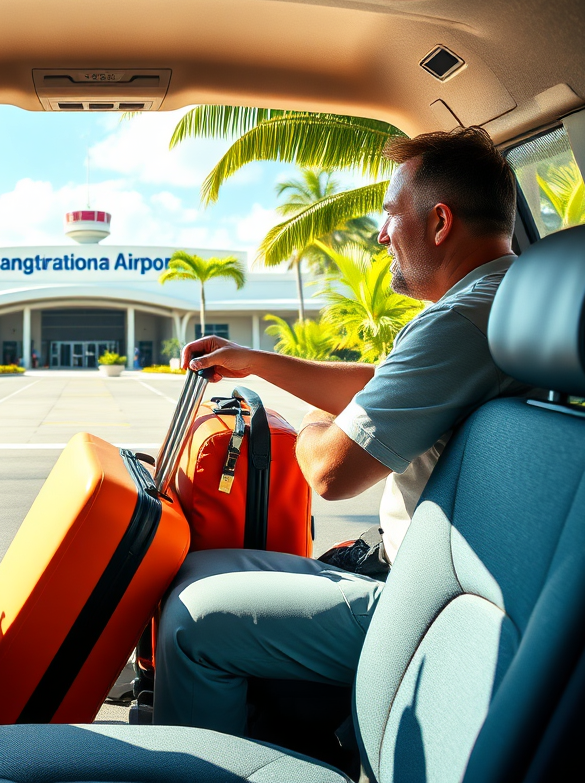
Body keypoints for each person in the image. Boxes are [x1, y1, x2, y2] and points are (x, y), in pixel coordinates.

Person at [153, 126, 541, 735]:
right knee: (206, 567)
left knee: (189, 621)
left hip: (427, 602)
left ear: (440, 222)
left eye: (391, 214)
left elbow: (332, 473)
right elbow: (385, 382)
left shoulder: (461, 321)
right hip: (434, 572)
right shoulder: (506, 296)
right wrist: (255, 360)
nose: (381, 233)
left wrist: (313, 421)